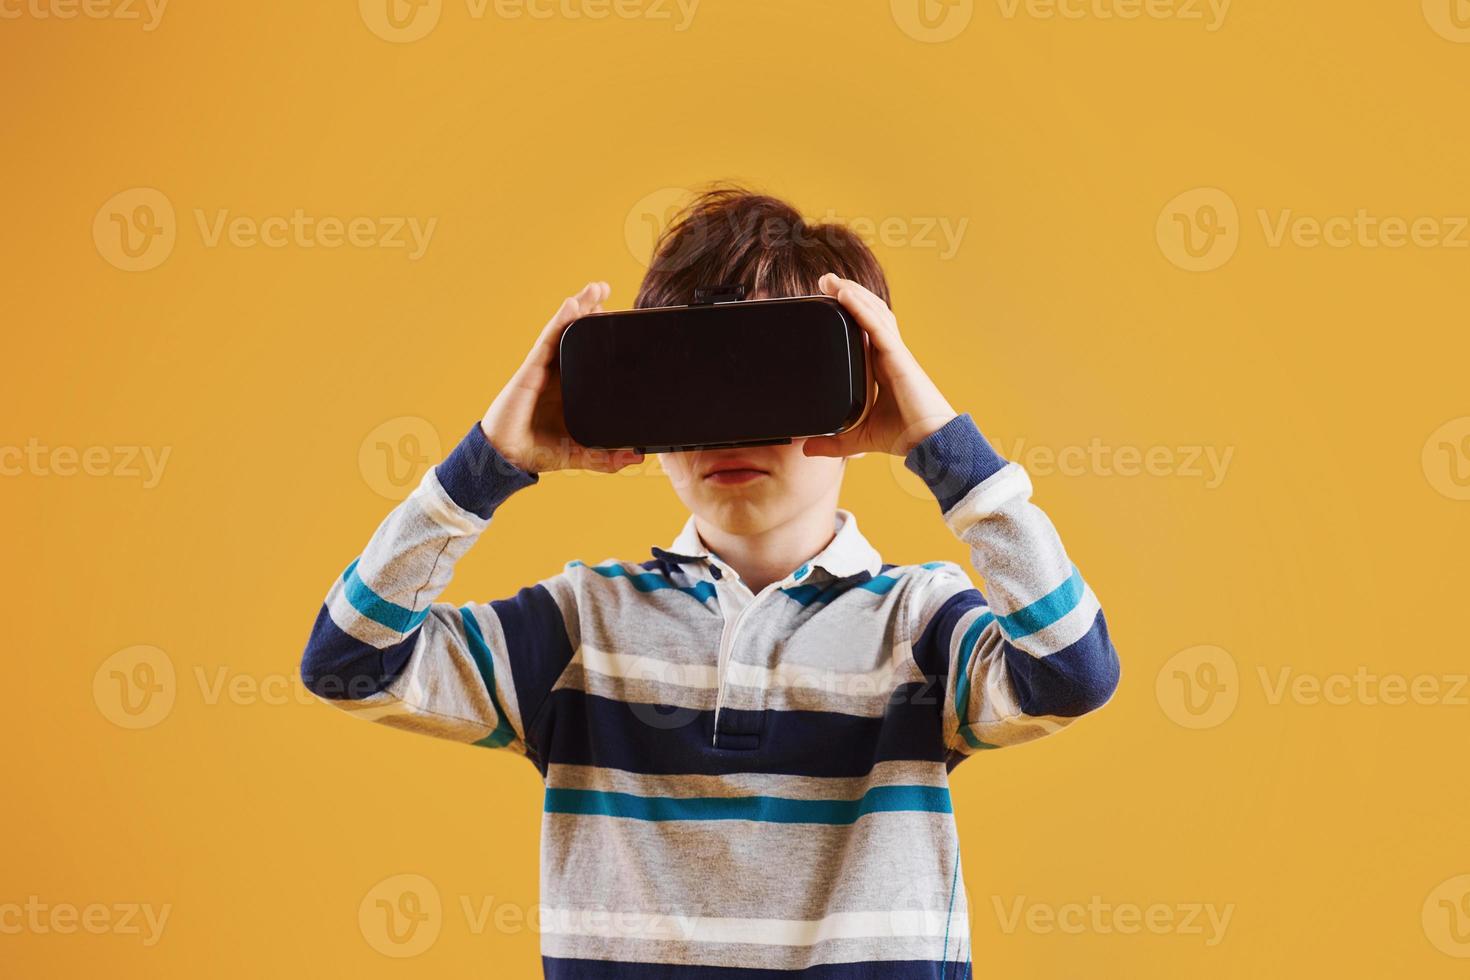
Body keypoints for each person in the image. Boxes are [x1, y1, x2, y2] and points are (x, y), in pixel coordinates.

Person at [300, 187, 1121, 979]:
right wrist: (485, 465)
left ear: (856, 387)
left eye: (769, 379)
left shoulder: (916, 626)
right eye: (693, 380)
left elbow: (1072, 672)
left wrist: (941, 445)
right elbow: (348, 662)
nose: (728, 426)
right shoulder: (585, 628)